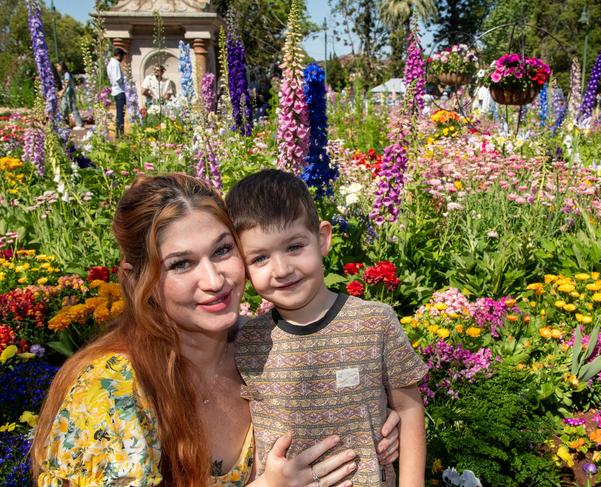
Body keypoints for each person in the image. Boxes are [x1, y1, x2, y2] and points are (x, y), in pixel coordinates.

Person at [31, 173, 401, 486]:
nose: (213, 280)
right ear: (136, 279)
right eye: (180, 264)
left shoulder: (261, 346)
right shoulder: (111, 391)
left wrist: (371, 422)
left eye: (222, 251)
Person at [226, 169, 427, 487]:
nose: (282, 269)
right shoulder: (245, 341)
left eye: (294, 247)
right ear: (244, 268)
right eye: (260, 258)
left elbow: (409, 409)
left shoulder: (375, 323)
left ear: (322, 239)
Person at [55, 62, 83, 128]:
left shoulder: (66, 74)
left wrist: (62, 91)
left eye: (58, 66)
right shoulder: (62, 75)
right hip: (65, 94)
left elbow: (66, 83)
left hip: (69, 92)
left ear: (62, 66)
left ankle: (79, 124)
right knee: (63, 109)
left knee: (73, 107)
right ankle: (61, 125)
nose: (57, 68)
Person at [106, 47, 127, 138]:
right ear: (119, 55)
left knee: (120, 112)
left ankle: (119, 132)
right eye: (122, 56)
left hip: (116, 90)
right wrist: (126, 79)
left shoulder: (111, 63)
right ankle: (120, 133)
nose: (123, 59)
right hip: (119, 90)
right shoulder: (115, 64)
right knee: (120, 113)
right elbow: (118, 78)